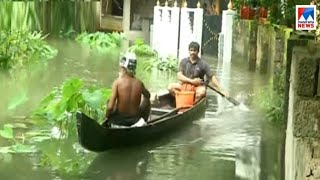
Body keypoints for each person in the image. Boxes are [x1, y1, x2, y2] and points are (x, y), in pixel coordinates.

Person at [103, 52, 151, 127]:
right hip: (135, 120)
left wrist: (106, 118)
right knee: (147, 99)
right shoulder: (139, 83)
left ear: (124, 67)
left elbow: (110, 107)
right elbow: (148, 95)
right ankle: (145, 121)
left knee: (109, 101)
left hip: (119, 121)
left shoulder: (117, 82)